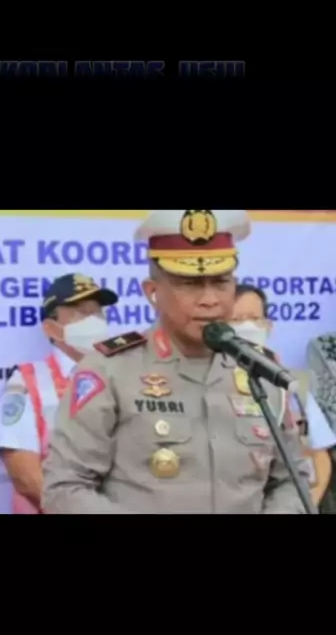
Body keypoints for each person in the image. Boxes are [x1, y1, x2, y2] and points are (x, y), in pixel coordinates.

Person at [42, 210, 311, 514]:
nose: (209, 299)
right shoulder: (109, 370)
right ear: (152, 292)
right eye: (190, 284)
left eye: (221, 282)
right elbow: (64, 489)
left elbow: (292, 481)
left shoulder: (259, 369)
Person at [0, 273, 118, 513]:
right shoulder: (26, 383)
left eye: (97, 313)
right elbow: (25, 476)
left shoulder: (120, 375)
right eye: (81, 313)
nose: (93, 321)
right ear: (51, 329)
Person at [231, 283, 336, 505]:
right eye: (237, 319)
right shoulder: (206, 383)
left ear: (268, 326)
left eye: (255, 318)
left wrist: (302, 506)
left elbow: (320, 457)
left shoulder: (293, 384)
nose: (247, 326)